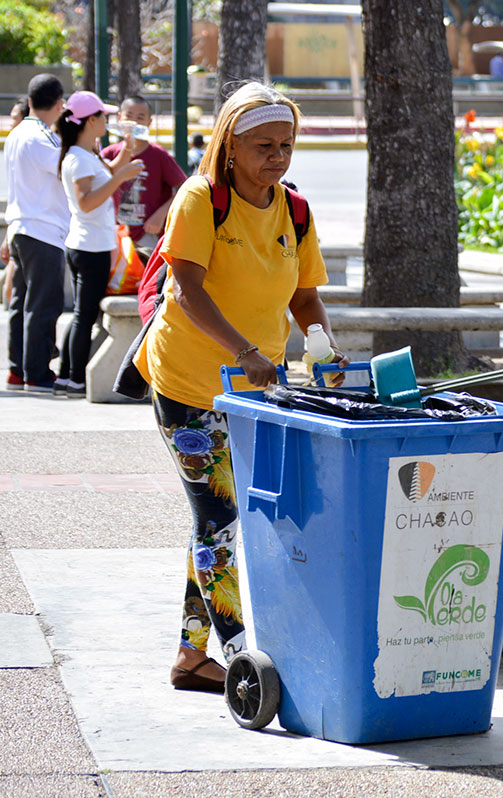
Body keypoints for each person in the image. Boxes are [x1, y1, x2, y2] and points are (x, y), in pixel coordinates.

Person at [132, 81, 349, 692]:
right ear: (230, 146)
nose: (277, 157)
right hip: (189, 384)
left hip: (252, 390)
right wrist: (246, 351)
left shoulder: (294, 209)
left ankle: (189, 656)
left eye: (286, 144)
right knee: (220, 515)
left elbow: (305, 296)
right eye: (262, 146)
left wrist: (323, 347)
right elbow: (187, 290)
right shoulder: (201, 200)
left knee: (218, 521)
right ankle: (237, 658)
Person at [54, 91, 145, 398]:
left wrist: (127, 153)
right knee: (84, 314)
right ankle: (74, 378)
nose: (107, 121)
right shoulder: (78, 158)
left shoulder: (85, 153)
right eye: (103, 117)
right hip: (89, 247)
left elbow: (106, 174)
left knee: (83, 313)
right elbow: (87, 203)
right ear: (90, 121)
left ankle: (67, 376)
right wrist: (122, 177)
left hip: (88, 244)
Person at [5, 74, 69, 392]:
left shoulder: (18, 133)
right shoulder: (40, 137)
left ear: (30, 100)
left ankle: (18, 370)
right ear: (59, 104)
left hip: (21, 227)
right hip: (42, 231)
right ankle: (37, 374)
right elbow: (66, 168)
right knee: (43, 305)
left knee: (21, 304)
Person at [100, 95, 187, 255]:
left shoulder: (158, 155)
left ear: (149, 122)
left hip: (148, 234)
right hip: (113, 231)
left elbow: (185, 188)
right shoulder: (109, 153)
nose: (134, 122)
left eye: (140, 118)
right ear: (119, 118)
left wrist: (161, 214)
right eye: (129, 116)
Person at [2, 99, 29, 310]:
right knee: (12, 293)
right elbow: (14, 197)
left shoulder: (34, 147)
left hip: (35, 232)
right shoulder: (16, 146)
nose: (11, 125)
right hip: (20, 229)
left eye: (14, 119)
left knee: (15, 293)